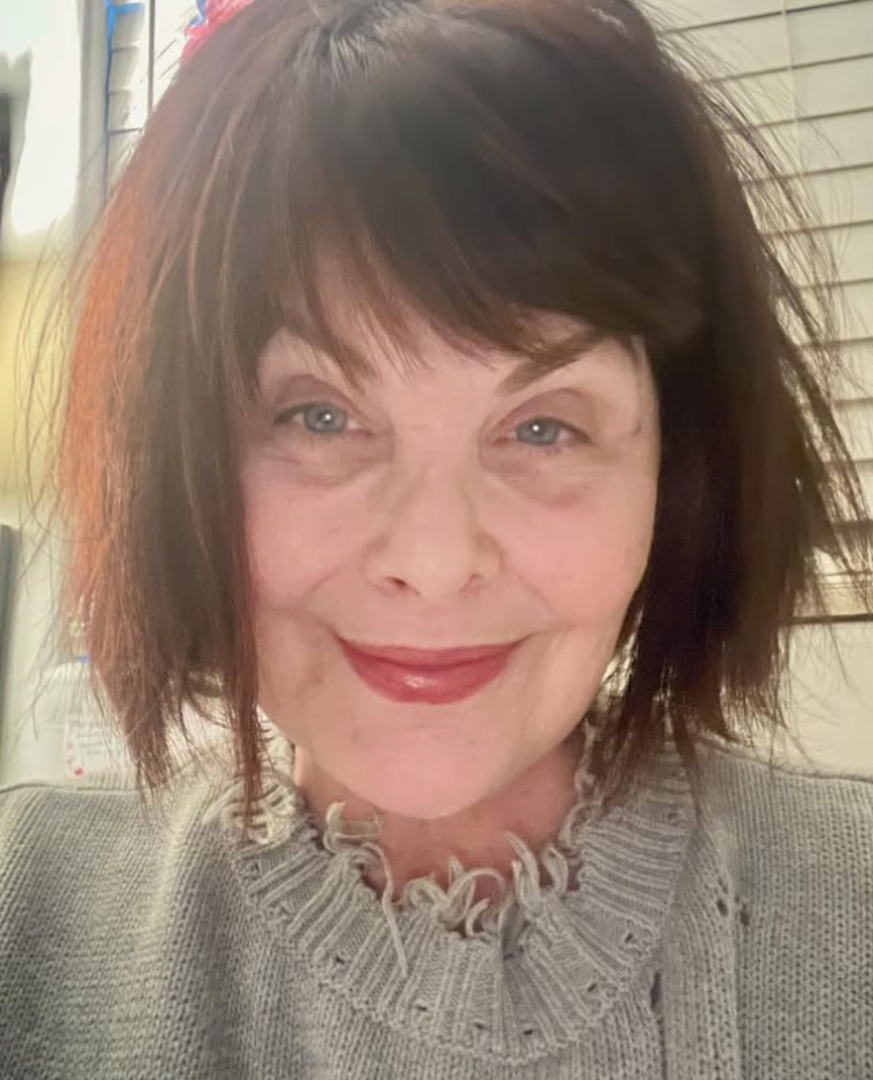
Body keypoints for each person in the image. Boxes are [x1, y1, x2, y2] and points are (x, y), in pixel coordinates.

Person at [1, 0, 871, 1076]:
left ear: (679, 471)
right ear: (178, 456)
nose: (434, 559)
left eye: (543, 427)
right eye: (319, 416)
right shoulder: (30, 922)